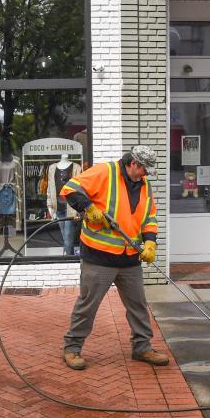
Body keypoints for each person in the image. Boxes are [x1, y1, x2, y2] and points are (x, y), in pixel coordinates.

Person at [59, 145, 168, 370]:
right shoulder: (105, 172)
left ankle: (142, 347)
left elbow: (150, 216)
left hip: (129, 258)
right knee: (88, 305)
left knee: (138, 305)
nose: (145, 175)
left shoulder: (144, 185)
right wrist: (89, 208)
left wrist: (150, 242)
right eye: (143, 170)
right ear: (133, 164)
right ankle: (72, 348)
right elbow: (70, 188)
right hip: (99, 257)